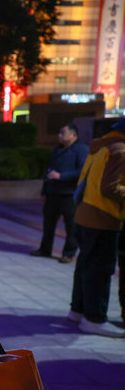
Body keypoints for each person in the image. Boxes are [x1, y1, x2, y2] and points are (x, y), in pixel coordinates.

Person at [68, 120, 125, 337]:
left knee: (85, 265)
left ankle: (78, 310)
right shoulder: (119, 150)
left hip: (84, 212)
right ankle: (94, 318)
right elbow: (109, 187)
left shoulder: (100, 147)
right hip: (103, 216)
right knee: (100, 270)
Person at [30, 123, 88, 263]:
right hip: (53, 193)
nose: (59, 135)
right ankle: (45, 249)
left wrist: (61, 176)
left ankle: (69, 252)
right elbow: (49, 171)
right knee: (48, 223)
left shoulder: (81, 150)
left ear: (74, 135)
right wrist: (45, 190)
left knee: (71, 225)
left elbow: (82, 171)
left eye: (63, 133)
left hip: (69, 194)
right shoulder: (57, 150)